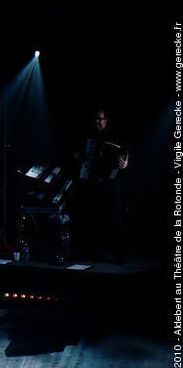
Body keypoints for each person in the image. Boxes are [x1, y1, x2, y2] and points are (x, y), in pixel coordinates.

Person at [71, 109, 130, 263]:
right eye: (95, 119)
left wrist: (124, 164)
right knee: (91, 219)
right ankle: (91, 252)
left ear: (106, 120)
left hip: (111, 184)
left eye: (100, 119)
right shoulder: (87, 137)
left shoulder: (115, 137)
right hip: (92, 184)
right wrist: (78, 157)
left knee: (115, 220)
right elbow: (77, 155)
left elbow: (125, 157)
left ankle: (120, 255)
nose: (97, 122)